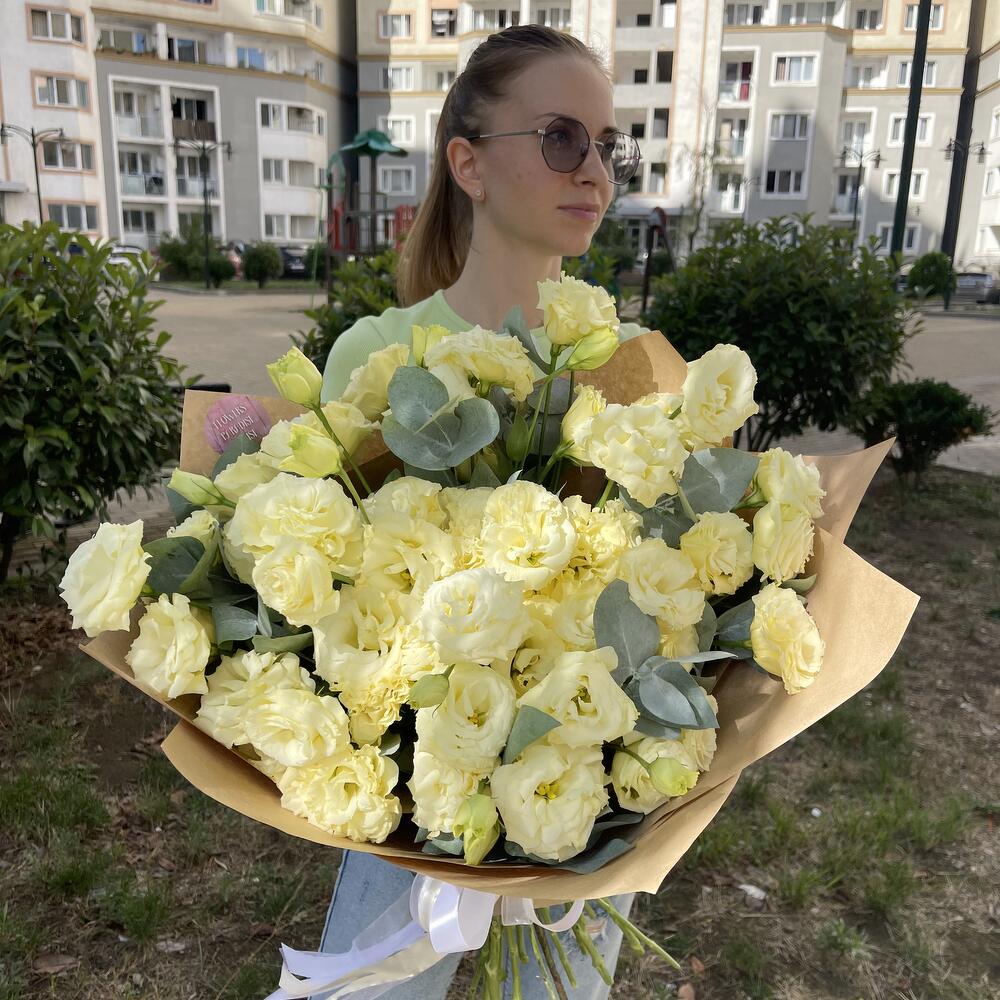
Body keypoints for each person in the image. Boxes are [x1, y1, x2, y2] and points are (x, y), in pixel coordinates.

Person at [315, 24, 650, 999]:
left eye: (607, 144)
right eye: (560, 138)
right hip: (415, 791)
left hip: (578, 795)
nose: (594, 171)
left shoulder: (630, 370)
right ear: (468, 164)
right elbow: (330, 598)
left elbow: (655, 593)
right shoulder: (379, 357)